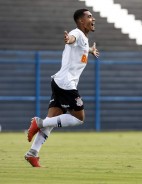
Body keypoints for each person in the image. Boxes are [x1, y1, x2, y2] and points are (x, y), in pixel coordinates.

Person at [24, 8, 99, 167]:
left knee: (52, 121)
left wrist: (91, 50)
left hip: (59, 82)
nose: (93, 19)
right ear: (80, 21)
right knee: (79, 118)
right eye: (90, 16)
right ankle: (39, 123)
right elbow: (72, 38)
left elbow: (81, 48)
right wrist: (68, 38)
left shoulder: (84, 39)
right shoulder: (77, 33)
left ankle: (32, 153)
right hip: (66, 84)